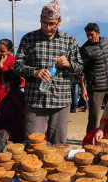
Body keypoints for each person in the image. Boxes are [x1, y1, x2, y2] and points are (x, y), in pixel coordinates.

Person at [14, 0, 83, 144]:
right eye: (44, 23)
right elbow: (18, 66)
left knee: (58, 147)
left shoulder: (69, 41)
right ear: (40, 19)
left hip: (61, 101)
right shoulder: (29, 39)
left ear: (59, 21)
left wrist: (68, 64)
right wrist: (35, 72)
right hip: (36, 101)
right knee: (33, 146)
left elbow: (80, 67)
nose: (48, 27)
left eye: (52, 24)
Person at [80, 22, 108, 134]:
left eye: (91, 35)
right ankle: (89, 139)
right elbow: (82, 71)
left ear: (98, 33)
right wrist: (84, 89)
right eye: (87, 35)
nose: (89, 37)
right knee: (94, 117)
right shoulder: (85, 49)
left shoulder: (105, 41)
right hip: (95, 88)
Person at [0, 69, 25, 143]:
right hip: (23, 130)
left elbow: (0, 120)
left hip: (14, 134)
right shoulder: (21, 94)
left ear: (8, 84)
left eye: (2, 81)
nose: (1, 84)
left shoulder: (9, 99)